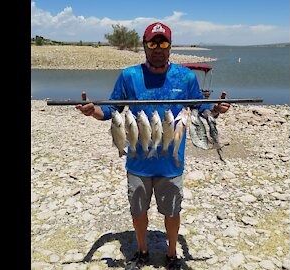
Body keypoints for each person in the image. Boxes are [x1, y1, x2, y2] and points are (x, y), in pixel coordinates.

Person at [76, 22, 230, 270]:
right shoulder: (129, 76)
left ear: (170, 46)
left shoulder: (186, 77)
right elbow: (111, 109)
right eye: (152, 43)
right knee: (138, 211)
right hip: (138, 161)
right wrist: (92, 110)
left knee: (172, 211)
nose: (158, 48)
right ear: (144, 46)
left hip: (171, 162)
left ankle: (172, 255)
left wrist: (215, 109)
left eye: (164, 43)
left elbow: (201, 109)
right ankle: (142, 252)